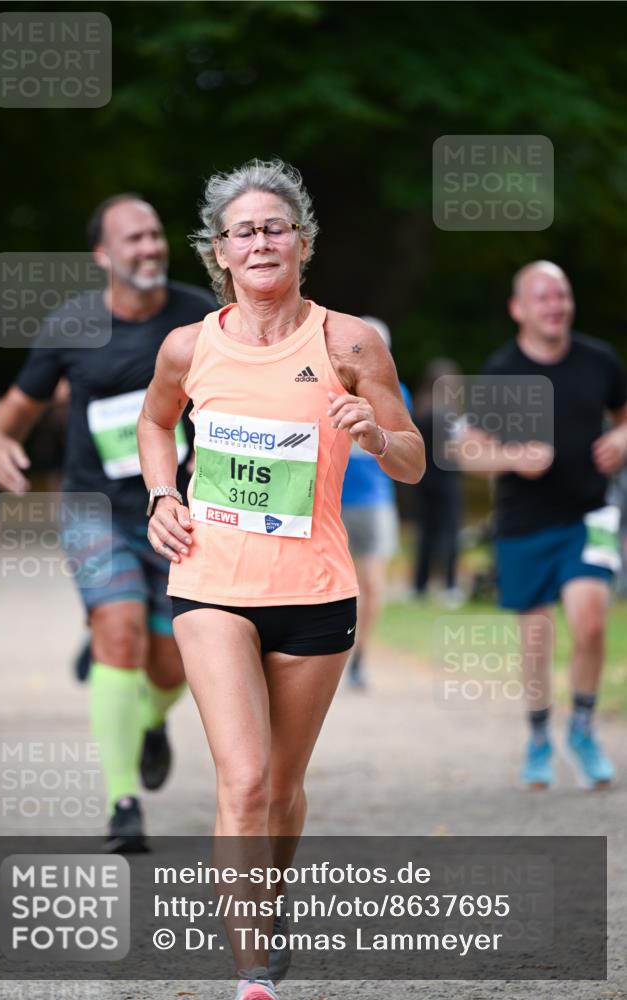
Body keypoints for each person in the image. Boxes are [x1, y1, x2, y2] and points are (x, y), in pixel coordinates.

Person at [137, 159, 425, 1000]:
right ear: (217, 252)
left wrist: (374, 430)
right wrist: (162, 492)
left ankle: (269, 894)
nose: (259, 241)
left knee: (285, 790)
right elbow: (157, 423)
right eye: (242, 231)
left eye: (274, 227)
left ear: (301, 242)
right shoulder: (188, 345)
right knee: (247, 778)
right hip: (211, 583)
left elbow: (412, 460)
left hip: (316, 591)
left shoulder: (349, 343)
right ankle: (251, 971)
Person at [0, 194, 216, 850]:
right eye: (132, 239)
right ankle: (122, 804)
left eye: (153, 235)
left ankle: (147, 719)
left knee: (173, 664)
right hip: (98, 511)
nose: (148, 247)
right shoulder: (72, 325)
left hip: (180, 510)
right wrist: (1, 446)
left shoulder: (199, 317)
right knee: (117, 631)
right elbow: (12, 417)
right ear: (102, 256)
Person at [458, 261, 627, 790]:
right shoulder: (501, 372)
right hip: (524, 522)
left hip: (592, 516)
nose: (555, 306)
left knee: (591, 619)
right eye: (543, 297)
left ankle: (581, 727)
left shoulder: (599, 360)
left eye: (562, 295)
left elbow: (624, 416)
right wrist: (512, 455)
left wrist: (623, 440)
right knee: (536, 640)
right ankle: (537, 738)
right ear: (519, 309)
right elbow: (467, 451)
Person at [340, 316, 413, 689]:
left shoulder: (395, 392)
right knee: (333, 584)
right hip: (331, 499)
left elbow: (402, 449)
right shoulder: (330, 384)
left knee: (372, 585)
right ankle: (331, 655)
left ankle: (360, 657)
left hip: (373, 501)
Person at [412, 358, 463, 607]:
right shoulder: (449, 416)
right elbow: (456, 450)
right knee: (450, 533)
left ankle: (419, 586)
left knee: (426, 534)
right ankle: (450, 585)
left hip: (423, 481)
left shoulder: (420, 411)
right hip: (446, 481)